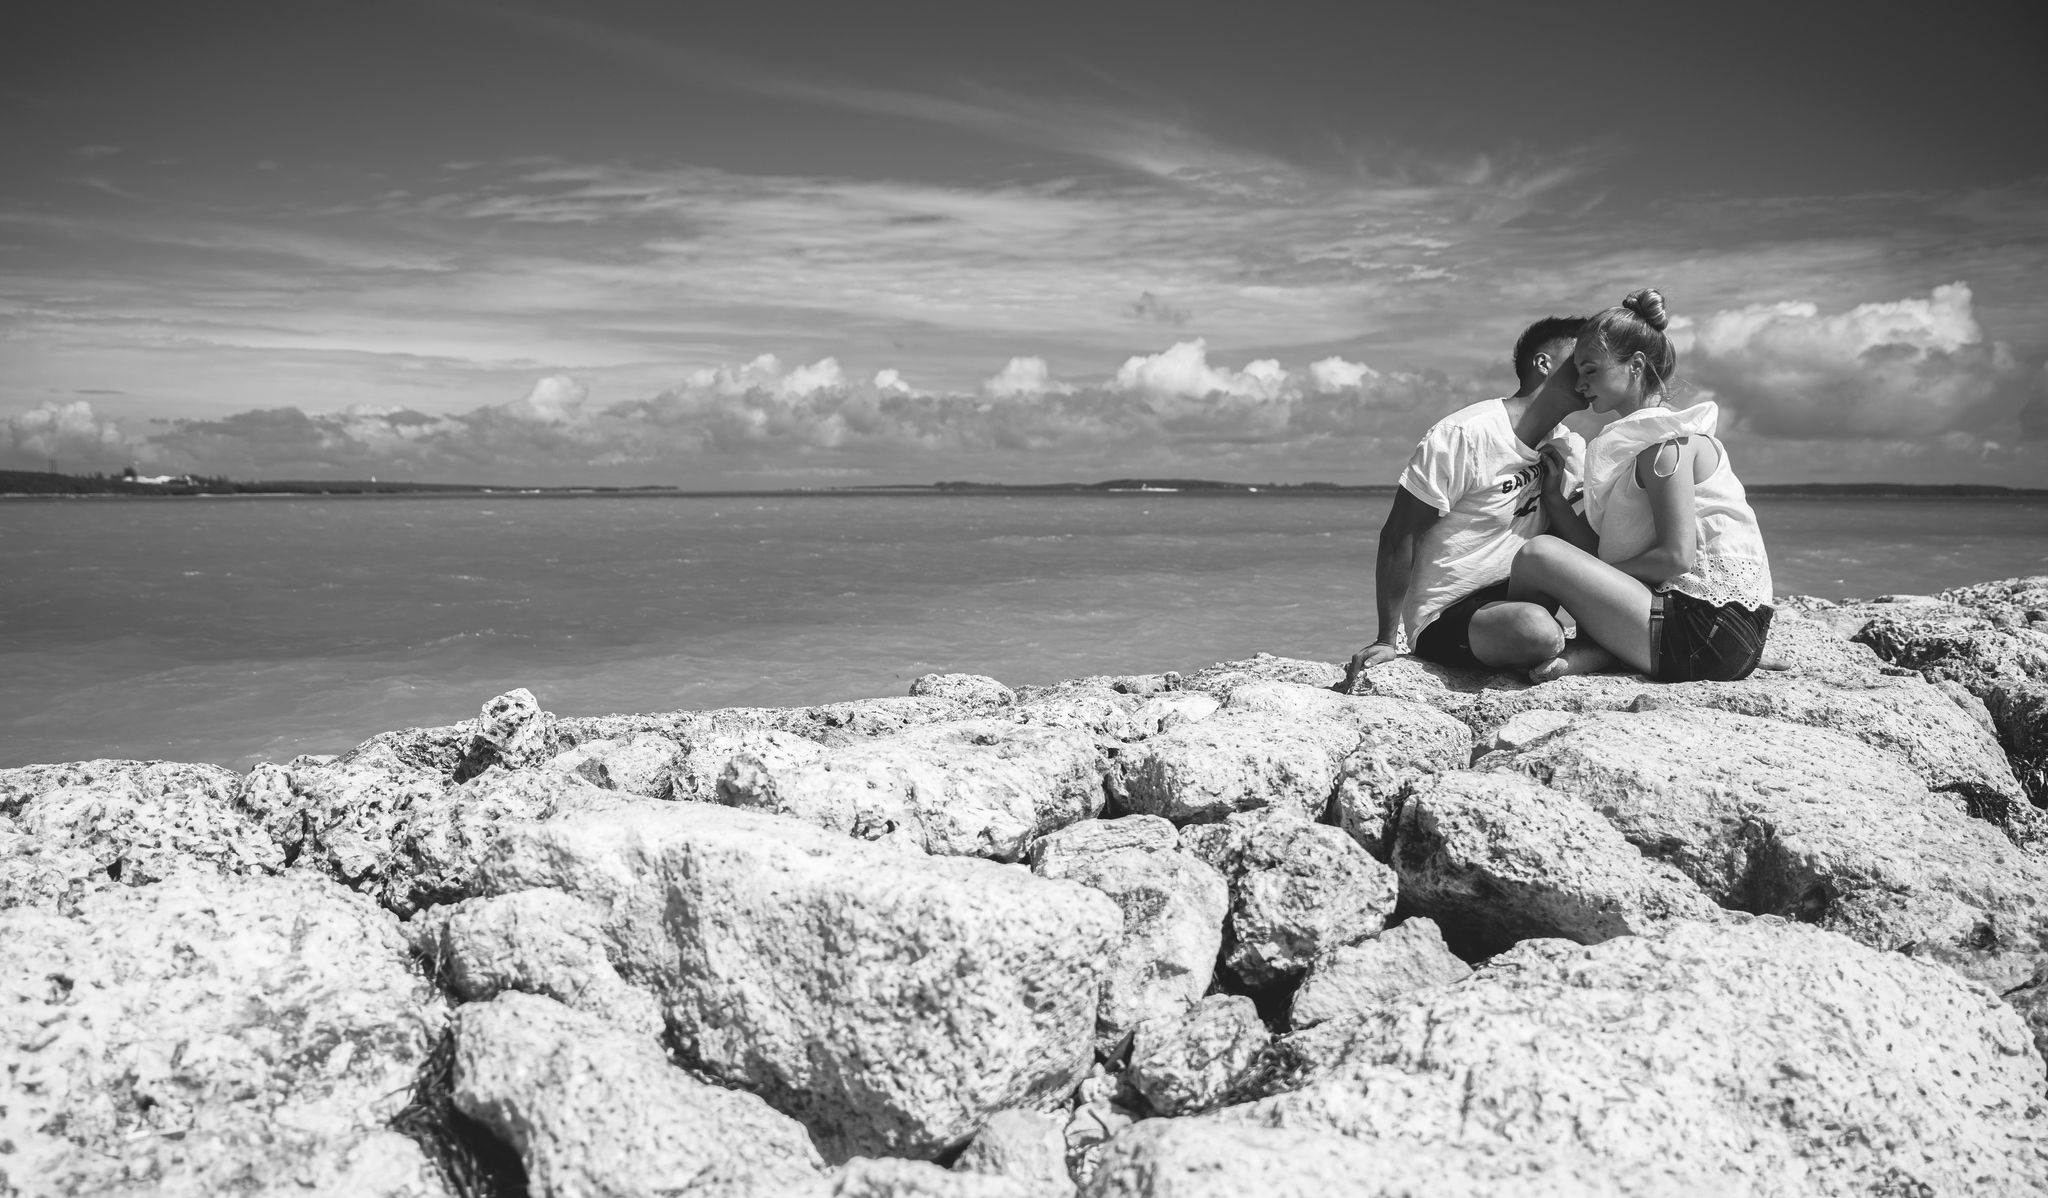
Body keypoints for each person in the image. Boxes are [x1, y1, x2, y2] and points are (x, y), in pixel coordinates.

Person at [1507, 287, 1774, 682]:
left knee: (1537, 555)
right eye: (1578, 372)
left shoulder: (1667, 447)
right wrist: (1555, 501)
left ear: (1635, 365)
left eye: (1591, 370)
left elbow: (1675, 558)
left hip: (1706, 631)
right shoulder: (1646, 446)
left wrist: (1589, 576)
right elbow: (1608, 556)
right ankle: (1598, 649)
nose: (1580, 384)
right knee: (1556, 556)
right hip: (1720, 634)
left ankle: (1514, 650)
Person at [1343, 314, 1591, 687]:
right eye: (1582, 359)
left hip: (1520, 589)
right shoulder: (1465, 434)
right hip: (1448, 611)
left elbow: (1572, 546)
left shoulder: (1568, 447)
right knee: (1538, 631)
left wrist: (1555, 499)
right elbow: (1399, 533)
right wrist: (1386, 638)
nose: (1593, 371)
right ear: (1544, 364)